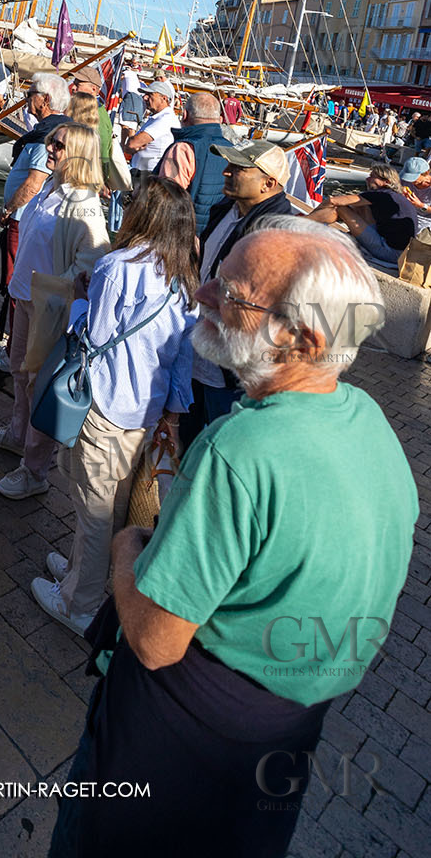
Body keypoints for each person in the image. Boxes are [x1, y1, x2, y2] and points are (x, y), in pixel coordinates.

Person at [47, 221, 417, 858]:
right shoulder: (369, 420)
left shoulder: (237, 452)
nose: (205, 294)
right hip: (278, 746)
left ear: (302, 339)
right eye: (216, 275)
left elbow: (157, 640)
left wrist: (126, 552)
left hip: (174, 752)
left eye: (233, 293)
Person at [32, 177, 199, 635]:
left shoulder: (117, 266)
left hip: (105, 405)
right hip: (145, 411)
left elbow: (94, 337)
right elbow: (183, 357)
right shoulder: (184, 277)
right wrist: (172, 413)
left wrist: (83, 299)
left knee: (94, 507)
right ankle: (78, 570)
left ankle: (77, 602)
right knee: (108, 503)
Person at [0, 122, 110, 499]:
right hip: (24, 299)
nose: (50, 147)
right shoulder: (48, 190)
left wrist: (53, 293)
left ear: (79, 154)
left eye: (58, 144)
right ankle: (17, 433)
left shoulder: (86, 208)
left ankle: (35, 472)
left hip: (48, 309)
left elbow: (91, 263)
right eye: (50, 141)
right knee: (19, 371)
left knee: (40, 384)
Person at [185, 140, 293, 437]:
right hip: (200, 345)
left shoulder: (276, 229)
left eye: (237, 168)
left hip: (231, 362)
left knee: (224, 441)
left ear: (268, 183)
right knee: (186, 438)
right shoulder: (226, 209)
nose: (226, 173)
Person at [0, 72, 71, 373]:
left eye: (31, 92)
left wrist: (7, 209)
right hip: (31, 220)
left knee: (19, 286)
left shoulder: (49, 135)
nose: (26, 96)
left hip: (24, 220)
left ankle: (12, 355)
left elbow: (34, 182)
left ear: (45, 100)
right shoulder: (56, 131)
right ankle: (13, 346)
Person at [308, 167, 416, 270]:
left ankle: (302, 222)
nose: (367, 179)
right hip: (402, 253)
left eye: (372, 176)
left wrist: (313, 213)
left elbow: (333, 201)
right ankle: (311, 222)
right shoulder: (395, 196)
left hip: (390, 253)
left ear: (386, 182)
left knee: (341, 209)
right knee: (360, 205)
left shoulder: (380, 195)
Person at [156, 91, 230, 233]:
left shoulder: (184, 149)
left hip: (184, 235)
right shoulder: (232, 150)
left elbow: (167, 198)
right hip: (216, 236)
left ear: (185, 115)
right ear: (219, 119)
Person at [122, 78, 180, 174]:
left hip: (149, 176)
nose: (145, 98)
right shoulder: (157, 118)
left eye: (150, 95)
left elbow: (132, 144)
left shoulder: (165, 119)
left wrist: (133, 144)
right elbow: (130, 146)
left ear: (164, 98)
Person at [69, 63, 112, 167]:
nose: (73, 88)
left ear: (93, 89)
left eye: (78, 84)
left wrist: (100, 177)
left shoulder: (96, 113)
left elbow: (102, 149)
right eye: (74, 83)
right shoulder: (85, 110)